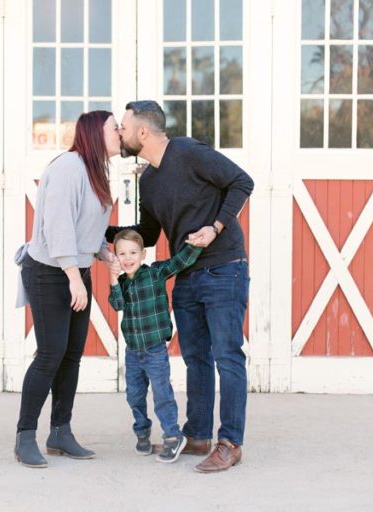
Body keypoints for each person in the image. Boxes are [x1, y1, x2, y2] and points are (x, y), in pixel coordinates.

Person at [107, 100, 254, 473]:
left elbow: (242, 182)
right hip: (186, 276)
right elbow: (149, 234)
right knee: (196, 358)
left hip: (224, 267)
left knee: (227, 355)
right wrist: (96, 232)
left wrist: (215, 227)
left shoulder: (188, 152)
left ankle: (230, 442)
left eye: (123, 127)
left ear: (143, 132)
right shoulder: (149, 180)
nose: (120, 134)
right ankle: (199, 434)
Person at [15, 110, 121, 468]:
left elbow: (85, 229)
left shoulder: (96, 172)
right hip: (49, 271)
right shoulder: (67, 168)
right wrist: (75, 278)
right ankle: (24, 436)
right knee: (50, 354)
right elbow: (58, 227)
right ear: (94, 133)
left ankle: (60, 432)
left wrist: (106, 255)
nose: (120, 132)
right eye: (114, 128)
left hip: (75, 269)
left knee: (72, 354)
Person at [108, 229, 202, 463]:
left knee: (162, 394)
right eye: (122, 254)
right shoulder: (121, 283)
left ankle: (172, 435)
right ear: (116, 258)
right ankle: (141, 431)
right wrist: (112, 279)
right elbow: (117, 304)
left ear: (143, 254)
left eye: (132, 252)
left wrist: (197, 245)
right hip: (133, 351)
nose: (127, 258)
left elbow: (179, 262)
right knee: (134, 395)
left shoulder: (155, 273)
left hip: (154, 350)